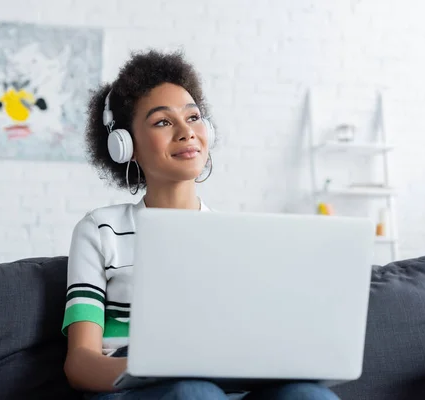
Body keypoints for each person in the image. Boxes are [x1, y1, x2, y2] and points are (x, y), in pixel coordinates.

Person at [61, 49, 341, 400]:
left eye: (193, 118)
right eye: (162, 122)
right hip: (138, 389)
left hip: (224, 388)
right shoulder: (100, 230)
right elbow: (80, 364)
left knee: (306, 395)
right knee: (192, 390)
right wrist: (151, 371)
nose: (186, 132)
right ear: (126, 145)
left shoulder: (236, 237)